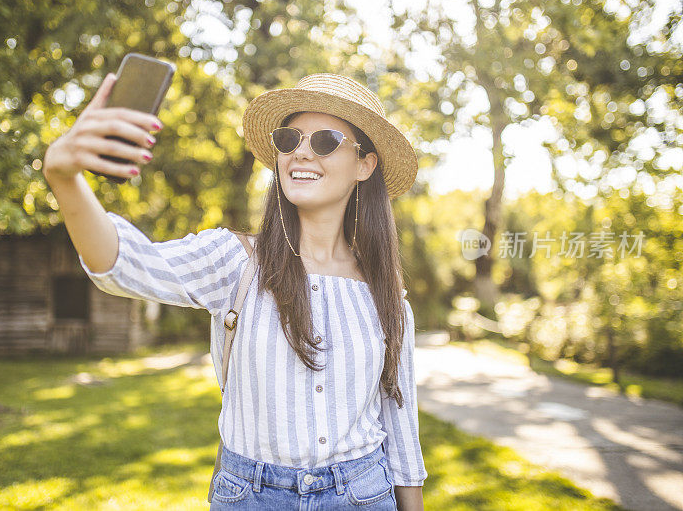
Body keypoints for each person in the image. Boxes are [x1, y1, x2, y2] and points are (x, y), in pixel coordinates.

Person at [42, 72, 427, 510]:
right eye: (289, 138)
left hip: (362, 494)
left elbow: (400, 427)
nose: (300, 151)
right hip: (250, 497)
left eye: (325, 140)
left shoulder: (386, 296)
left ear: (365, 164)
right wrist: (64, 178)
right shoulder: (233, 260)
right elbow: (127, 265)